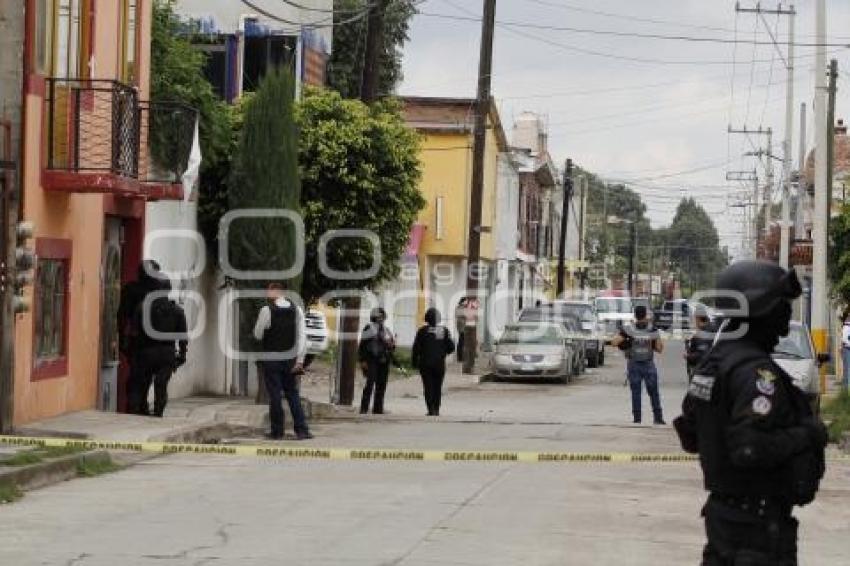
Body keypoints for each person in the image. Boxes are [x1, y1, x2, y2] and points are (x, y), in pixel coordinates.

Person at [673, 261, 827, 565]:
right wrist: (806, 435)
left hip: (726, 519)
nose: (786, 319)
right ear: (762, 309)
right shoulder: (756, 373)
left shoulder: (713, 363)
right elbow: (748, 448)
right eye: (782, 307)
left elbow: (690, 434)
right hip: (754, 528)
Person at [118, 260, 184, 416]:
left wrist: (125, 341)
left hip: (142, 346)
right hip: (153, 348)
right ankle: (149, 411)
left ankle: (138, 410)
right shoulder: (168, 304)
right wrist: (181, 354)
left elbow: (126, 320)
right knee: (151, 383)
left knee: (138, 382)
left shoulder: (138, 295)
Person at [253, 283, 313, 440]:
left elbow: (258, 334)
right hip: (290, 359)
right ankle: (302, 430)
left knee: (275, 395)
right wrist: (300, 361)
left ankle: (277, 431)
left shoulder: (266, 310)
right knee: (292, 394)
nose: (267, 293)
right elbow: (302, 338)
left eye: (269, 290)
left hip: (272, 358)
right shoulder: (297, 310)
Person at [612, 305, 665, 425]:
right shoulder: (652, 329)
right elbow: (659, 348)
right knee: (654, 392)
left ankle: (637, 419)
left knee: (636, 393)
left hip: (634, 364)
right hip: (648, 363)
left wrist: (627, 341)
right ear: (646, 315)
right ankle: (658, 418)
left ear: (635, 315)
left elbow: (614, 342)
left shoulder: (629, 329)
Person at [411, 308, 455, 416]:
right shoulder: (443, 331)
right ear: (438, 319)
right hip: (439, 364)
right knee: (437, 387)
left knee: (428, 386)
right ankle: (436, 409)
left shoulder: (422, 331)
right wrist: (442, 353)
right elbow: (451, 347)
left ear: (426, 318)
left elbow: (416, 348)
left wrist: (414, 362)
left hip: (425, 364)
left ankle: (430, 409)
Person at [358, 307, 395, 414]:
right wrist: (362, 360)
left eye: (382, 317)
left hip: (384, 360)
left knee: (381, 385)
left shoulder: (386, 330)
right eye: (379, 316)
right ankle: (364, 408)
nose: (381, 319)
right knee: (370, 384)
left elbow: (391, 346)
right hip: (371, 360)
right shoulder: (368, 328)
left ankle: (378, 409)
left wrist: (392, 345)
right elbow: (362, 345)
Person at [684, 306, 716, 379]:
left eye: (694, 318)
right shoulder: (713, 328)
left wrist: (688, 356)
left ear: (698, 318)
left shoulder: (702, 333)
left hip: (703, 371)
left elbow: (702, 353)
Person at [842, 316, 850, 389]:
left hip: (847, 348)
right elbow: (844, 339)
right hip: (847, 349)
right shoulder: (847, 327)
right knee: (847, 370)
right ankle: (845, 389)